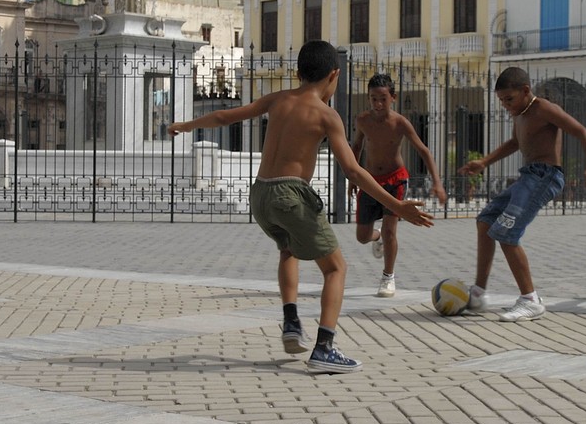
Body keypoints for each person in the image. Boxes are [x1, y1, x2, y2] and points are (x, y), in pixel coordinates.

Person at [168, 40, 433, 374]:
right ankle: (324, 348)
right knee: (336, 269)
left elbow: (224, 116)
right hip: (291, 195)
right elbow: (353, 170)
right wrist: (398, 205)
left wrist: (185, 126)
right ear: (334, 75)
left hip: (260, 196)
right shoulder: (327, 115)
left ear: (297, 72)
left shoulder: (279, 99)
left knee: (288, 250)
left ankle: (292, 321)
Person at [458, 66, 586, 321]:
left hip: (545, 176)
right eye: (501, 101)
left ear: (525, 91)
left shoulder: (543, 109)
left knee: (506, 233)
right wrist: (485, 162)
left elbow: (582, 133)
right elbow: (515, 143)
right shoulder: (520, 113)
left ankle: (530, 300)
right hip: (528, 176)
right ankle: (478, 293)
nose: (505, 106)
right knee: (486, 220)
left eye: (509, 99)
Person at [349, 73, 448, 298]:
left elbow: (424, 151)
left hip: (395, 179)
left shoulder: (400, 123)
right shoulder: (363, 120)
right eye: (373, 98)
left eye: (383, 98)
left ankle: (388, 277)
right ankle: (378, 239)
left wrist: (438, 183)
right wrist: (352, 178)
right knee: (362, 236)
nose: (378, 104)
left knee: (390, 229)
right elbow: (356, 147)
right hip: (369, 181)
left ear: (393, 97)